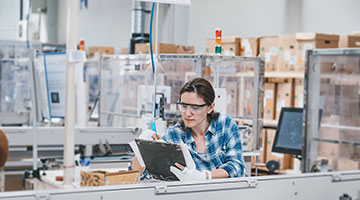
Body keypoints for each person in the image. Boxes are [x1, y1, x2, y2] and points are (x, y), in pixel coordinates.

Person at [131, 78, 245, 180]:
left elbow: (236, 166)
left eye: (195, 108)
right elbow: (139, 175)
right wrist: (142, 149)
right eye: (184, 106)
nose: (187, 113)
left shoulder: (225, 125)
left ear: (210, 107)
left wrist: (205, 176)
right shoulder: (174, 135)